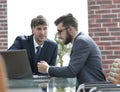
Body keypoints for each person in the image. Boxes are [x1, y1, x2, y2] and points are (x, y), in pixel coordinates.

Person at [37, 13, 106, 89]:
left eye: (60, 31)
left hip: (93, 89)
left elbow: (71, 71)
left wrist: (47, 69)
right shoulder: (81, 40)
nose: (59, 36)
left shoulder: (81, 42)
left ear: (70, 29)